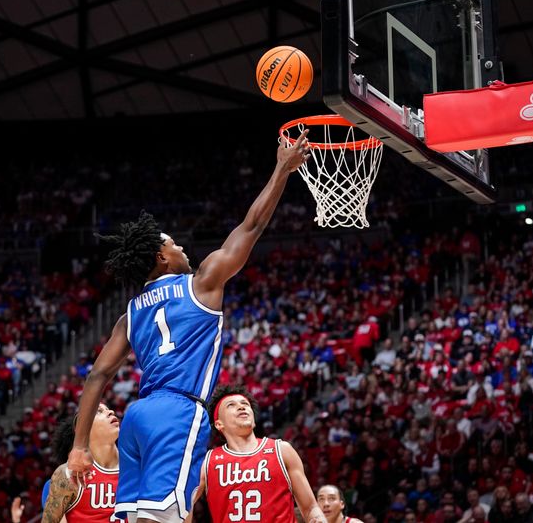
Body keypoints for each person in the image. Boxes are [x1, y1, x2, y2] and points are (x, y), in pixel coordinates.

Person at [68, 131, 311, 523]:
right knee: (164, 519)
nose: (182, 247)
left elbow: (97, 374)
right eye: (174, 244)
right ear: (161, 257)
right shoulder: (202, 283)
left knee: (133, 517)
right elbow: (251, 227)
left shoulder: (129, 314)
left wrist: (78, 446)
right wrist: (282, 170)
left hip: (137, 416)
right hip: (177, 411)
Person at [193, 385, 326, 523]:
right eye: (231, 405)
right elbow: (182, 509)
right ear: (219, 424)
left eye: (245, 404)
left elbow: (310, 508)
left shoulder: (281, 450)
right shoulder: (208, 462)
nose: (241, 407)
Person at [42, 403, 122, 523]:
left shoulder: (137, 468)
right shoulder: (69, 475)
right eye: (99, 411)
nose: (110, 411)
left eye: (108, 408)